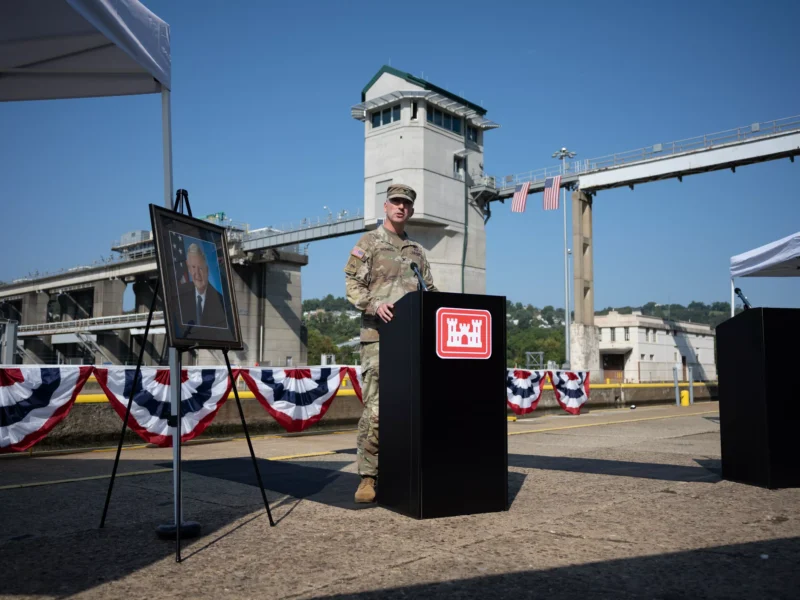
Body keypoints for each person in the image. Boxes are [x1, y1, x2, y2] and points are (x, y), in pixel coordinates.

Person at [344, 183, 437, 503]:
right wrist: (373, 305)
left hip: (412, 340)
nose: (401, 208)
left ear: (411, 210)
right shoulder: (368, 243)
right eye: (396, 202)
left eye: (407, 204)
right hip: (378, 339)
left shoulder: (416, 252)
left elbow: (430, 292)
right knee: (378, 409)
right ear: (385, 206)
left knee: (412, 407)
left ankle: (404, 470)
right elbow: (352, 284)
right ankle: (368, 477)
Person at [177, 243, 228, 328]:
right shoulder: (179, 294)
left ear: (207, 270)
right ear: (188, 268)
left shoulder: (221, 302)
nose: (197, 274)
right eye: (193, 267)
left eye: (200, 268)